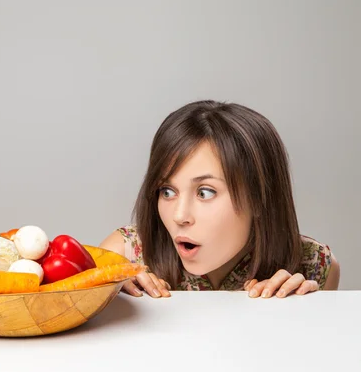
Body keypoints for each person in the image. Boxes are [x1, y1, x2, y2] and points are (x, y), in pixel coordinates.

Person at [99, 100, 340, 299]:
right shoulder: (122, 256)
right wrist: (106, 302)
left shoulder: (314, 266)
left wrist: (308, 311)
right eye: (167, 191)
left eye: (205, 192)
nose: (180, 216)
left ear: (258, 198)